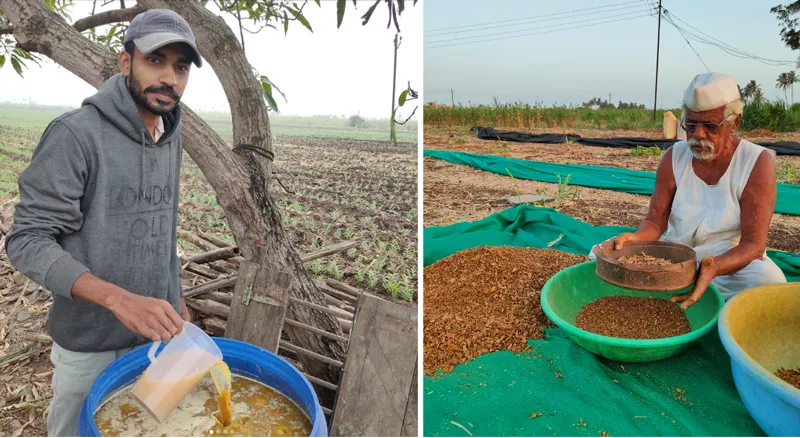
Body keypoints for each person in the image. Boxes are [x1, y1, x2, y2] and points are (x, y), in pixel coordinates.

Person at [4, 9, 203, 436]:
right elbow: (27, 240)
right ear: (125, 61)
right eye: (156, 60)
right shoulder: (76, 135)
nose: (170, 77)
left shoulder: (170, 136)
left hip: (154, 336)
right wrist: (118, 299)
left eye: (181, 67)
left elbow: (161, 226)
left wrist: (175, 295)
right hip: (89, 340)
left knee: (143, 427)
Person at [592, 72, 786, 309]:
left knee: (769, 281)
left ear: (734, 122)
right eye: (690, 125)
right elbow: (655, 220)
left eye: (710, 126)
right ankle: (678, 287)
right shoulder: (673, 157)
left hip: (726, 262)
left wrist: (712, 267)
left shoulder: (756, 162)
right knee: (597, 255)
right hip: (674, 255)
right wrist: (637, 238)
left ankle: (678, 288)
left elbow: (753, 246)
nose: (698, 135)